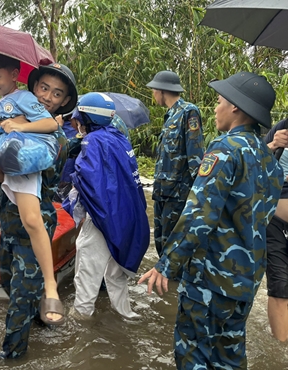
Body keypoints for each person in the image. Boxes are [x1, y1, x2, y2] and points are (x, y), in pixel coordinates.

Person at [139, 71, 284, 369]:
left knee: (193, 354)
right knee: (229, 358)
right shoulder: (269, 160)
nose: (215, 108)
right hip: (246, 281)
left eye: (219, 101)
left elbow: (198, 216)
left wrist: (166, 265)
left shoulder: (224, 149)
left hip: (211, 280)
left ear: (235, 107)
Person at [0, 52, 66, 326]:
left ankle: (51, 287)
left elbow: (49, 125)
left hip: (24, 157)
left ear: (14, 74)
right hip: (4, 155)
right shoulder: (2, 102)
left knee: (33, 221)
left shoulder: (25, 98)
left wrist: (20, 125)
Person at [0, 62, 77, 358]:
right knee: (7, 281)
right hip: (8, 222)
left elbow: (8, 171)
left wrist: (16, 131)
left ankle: (12, 355)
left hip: (34, 225)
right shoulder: (15, 117)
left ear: (64, 101)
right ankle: (40, 319)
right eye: (43, 88)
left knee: (20, 297)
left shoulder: (56, 140)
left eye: (57, 93)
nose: (48, 97)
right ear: (33, 87)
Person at [65, 93, 149, 319]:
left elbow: (88, 181)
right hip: (126, 216)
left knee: (87, 269)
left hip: (104, 217)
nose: (77, 123)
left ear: (87, 118)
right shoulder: (118, 137)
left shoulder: (93, 142)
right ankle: (125, 314)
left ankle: (81, 318)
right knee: (115, 270)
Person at [146, 71, 204, 257]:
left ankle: (176, 284)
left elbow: (196, 156)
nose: (153, 94)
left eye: (154, 90)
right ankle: (165, 284)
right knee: (162, 245)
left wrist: (198, 197)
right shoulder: (170, 115)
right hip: (163, 191)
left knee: (175, 248)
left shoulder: (189, 112)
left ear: (161, 90)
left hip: (178, 195)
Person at [263, 119, 288, 342]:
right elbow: (253, 163)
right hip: (274, 223)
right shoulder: (282, 128)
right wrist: (272, 146)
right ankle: (280, 351)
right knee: (279, 285)